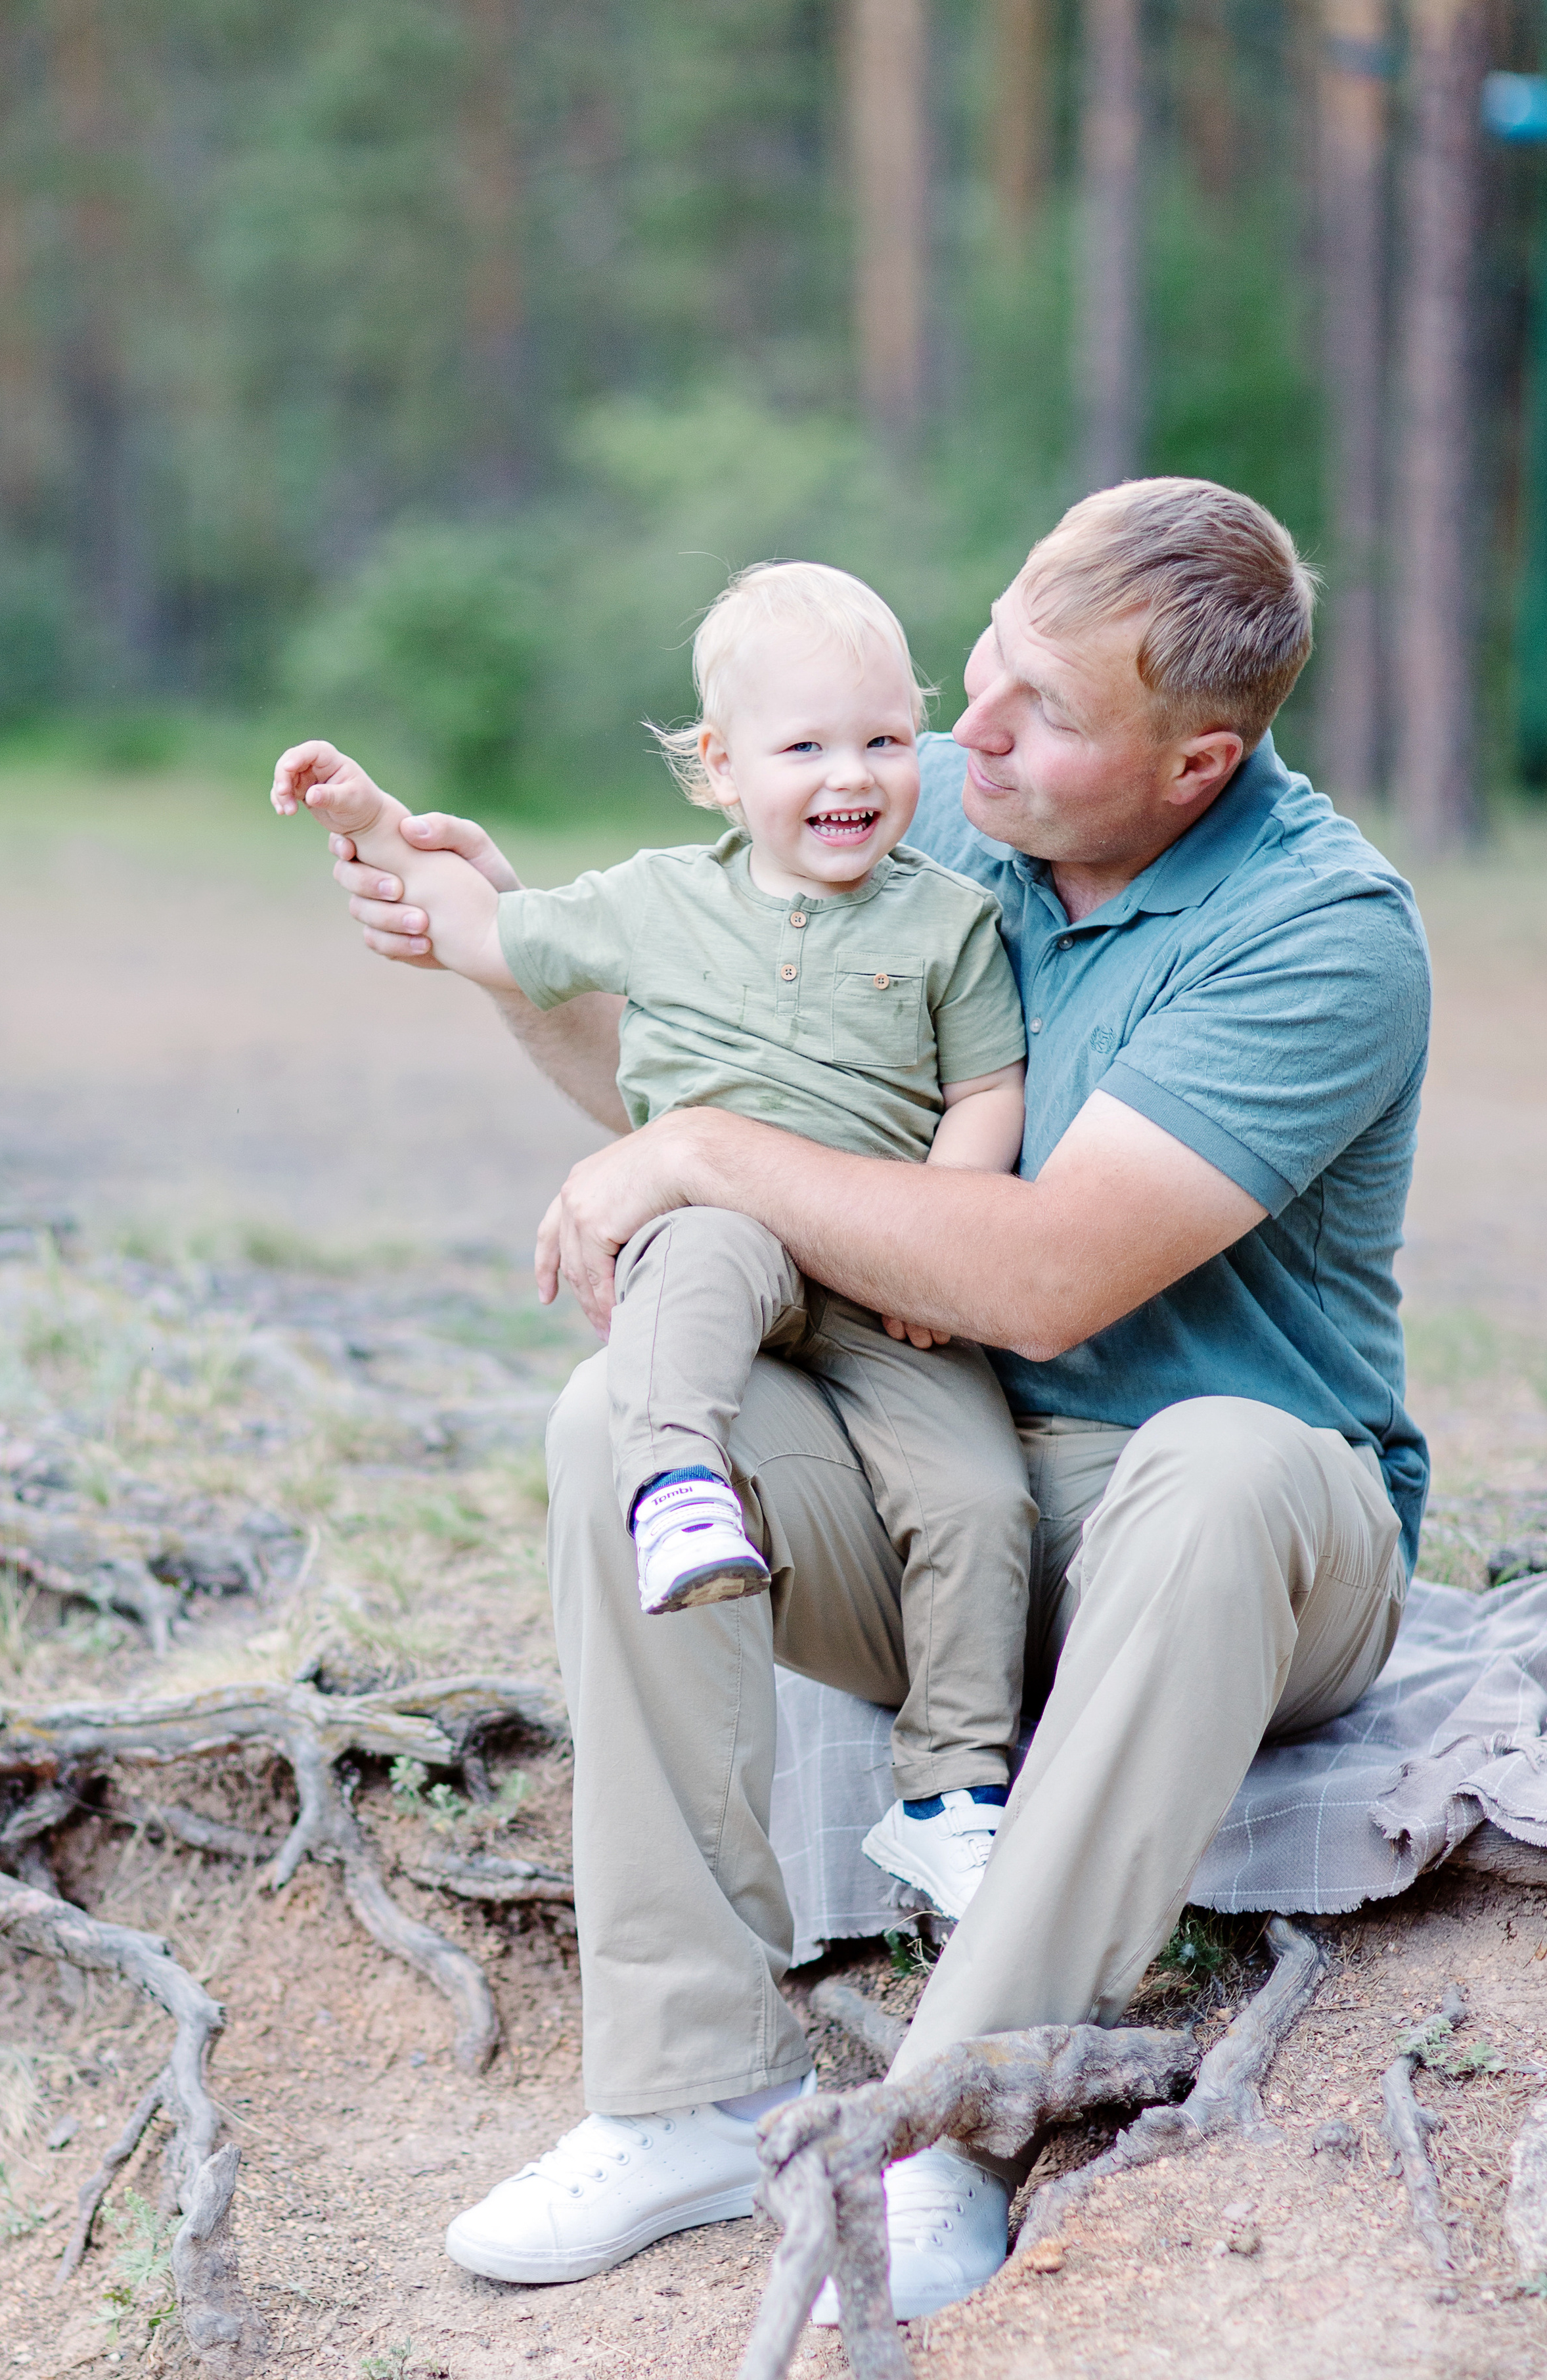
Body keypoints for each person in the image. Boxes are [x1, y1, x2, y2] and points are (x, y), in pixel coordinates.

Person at [320, 477, 1430, 2322]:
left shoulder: (1319, 935)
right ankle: (687, 2088)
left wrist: (698, 1144)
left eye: (1042, 715)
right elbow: (743, 1119)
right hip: (949, 1495)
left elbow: (1039, 1263)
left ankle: (944, 2125)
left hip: (1245, 1540)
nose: (964, 736)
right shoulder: (950, 839)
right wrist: (508, 944)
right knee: (623, 1422)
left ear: (1198, 762)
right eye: (977, 670)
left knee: (1222, 1468)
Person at [271, 561, 1039, 1925]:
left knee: (979, 1495)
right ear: (718, 768)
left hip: (880, 1278)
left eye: (877, 737)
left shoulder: (949, 922)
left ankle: (951, 1791)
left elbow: (984, 1091)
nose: (846, 773)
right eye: (801, 746)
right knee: (686, 1257)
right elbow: (482, 931)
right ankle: (675, 1483)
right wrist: (379, 824)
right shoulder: (654, 899)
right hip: (730, 1231)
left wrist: (946, 1221)